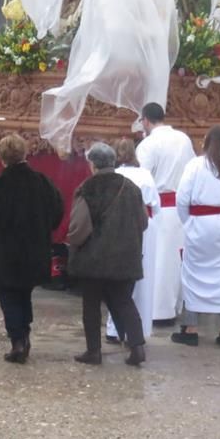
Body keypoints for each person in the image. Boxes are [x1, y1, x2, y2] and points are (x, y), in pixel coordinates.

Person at [0, 134, 63, 364]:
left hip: (5, 253)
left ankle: (17, 340)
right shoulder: (42, 182)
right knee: (24, 292)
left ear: (1, 157)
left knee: (8, 295)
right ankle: (25, 331)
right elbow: (57, 210)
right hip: (34, 250)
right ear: (25, 153)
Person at [68, 143, 149, 366]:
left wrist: (72, 244)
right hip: (126, 257)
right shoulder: (132, 187)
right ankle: (137, 348)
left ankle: (93, 352)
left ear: (92, 164)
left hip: (94, 259)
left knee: (91, 304)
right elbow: (143, 222)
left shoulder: (87, 188)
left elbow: (79, 226)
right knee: (124, 301)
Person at [172, 125, 220, 348]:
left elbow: (182, 199)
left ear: (205, 141)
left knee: (193, 274)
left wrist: (189, 222)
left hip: (201, 224)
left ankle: (191, 328)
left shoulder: (195, 165)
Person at [136, 102, 196, 326]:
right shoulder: (183, 139)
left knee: (158, 260)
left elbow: (142, 178)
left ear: (146, 120)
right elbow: (191, 172)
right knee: (176, 260)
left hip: (158, 210)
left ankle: (158, 311)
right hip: (181, 209)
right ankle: (174, 306)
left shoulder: (148, 144)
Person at [106, 138, 161, 344]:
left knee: (118, 280)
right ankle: (139, 330)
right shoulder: (146, 175)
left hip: (119, 228)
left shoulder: (114, 176)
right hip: (145, 228)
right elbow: (155, 207)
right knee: (142, 279)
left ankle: (114, 328)